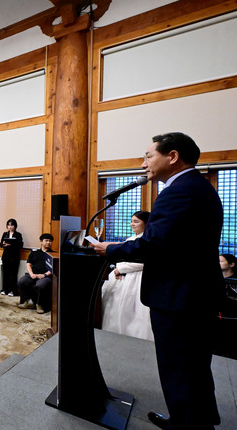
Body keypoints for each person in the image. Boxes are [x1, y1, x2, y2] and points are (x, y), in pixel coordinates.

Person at [93, 132, 222, 429]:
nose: (143, 164)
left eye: (148, 156)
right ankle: (195, 419)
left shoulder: (179, 191)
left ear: (172, 156)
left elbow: (155, 245)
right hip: (195, 292)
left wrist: (110, 249)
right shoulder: (199, 186)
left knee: (179, 366)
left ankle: (187, 424)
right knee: (194, 366)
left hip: (180, 296)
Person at [100, 211, 153, 341]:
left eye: (136, 222)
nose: (132, 224)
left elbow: (144, 262)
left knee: (133, 312)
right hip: (122, 276)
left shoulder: (146, 242)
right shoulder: (131, 239)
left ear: (146, 224)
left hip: (137, 278)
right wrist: (117, 268)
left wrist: (122, 268)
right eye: (131, 221)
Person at [17, 233, 54, 314]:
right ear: (41, 241)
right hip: (33, 274)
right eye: (46, 240)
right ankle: (26, 302)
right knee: (22, 281)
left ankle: (39, 305)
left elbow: (53, 268)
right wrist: (31, 274)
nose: (48, 243)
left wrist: (44, 275)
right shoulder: (34, 252)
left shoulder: (53, 254)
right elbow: (28, 264)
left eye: (50, 241)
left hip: (46, 276)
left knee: (40, 285)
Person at [0, 218, 23, 296]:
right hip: (6, 256)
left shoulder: (18, 234)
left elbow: (20, 245)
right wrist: (3, 245)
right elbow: (0, 244)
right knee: (5, 273)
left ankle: (13, 291)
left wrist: (11, 245)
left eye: (12, 225)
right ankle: (5, 289)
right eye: (8, 225)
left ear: (15, 226)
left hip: (14, 257)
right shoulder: (5, 234)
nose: (10, 227)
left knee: (13, 274)